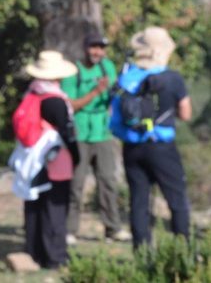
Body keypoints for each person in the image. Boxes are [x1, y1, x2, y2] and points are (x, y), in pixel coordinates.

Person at [110, 26, 192, 249]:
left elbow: (114, 112)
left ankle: (142, 252)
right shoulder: (172, 78)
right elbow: (186, 113)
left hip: (131, 147)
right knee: (176, 199)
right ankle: (183, 248)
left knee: (139, 201)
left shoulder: (126, 78)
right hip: (161, 145)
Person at [60, 26, 131, 244]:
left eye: (101, 48)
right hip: (80, 132)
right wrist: (95, 92)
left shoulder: (107, 67)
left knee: (108, 181)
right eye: (94, 47)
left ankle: (112, 228)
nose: (97, 52)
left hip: (102, 132)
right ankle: (69, 229)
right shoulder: (73, 71)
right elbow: (70, 104)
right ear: (85, 48)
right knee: (76, 184)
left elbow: (111, 97)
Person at [17, 50, 81, 269]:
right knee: (55, 208)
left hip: (32, 160)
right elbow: (66, 132)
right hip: (55, 161)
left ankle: (34, 251)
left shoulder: (31, 94)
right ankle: (55, 257)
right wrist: (76, 155)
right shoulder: (55, 101)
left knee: (35, 205)